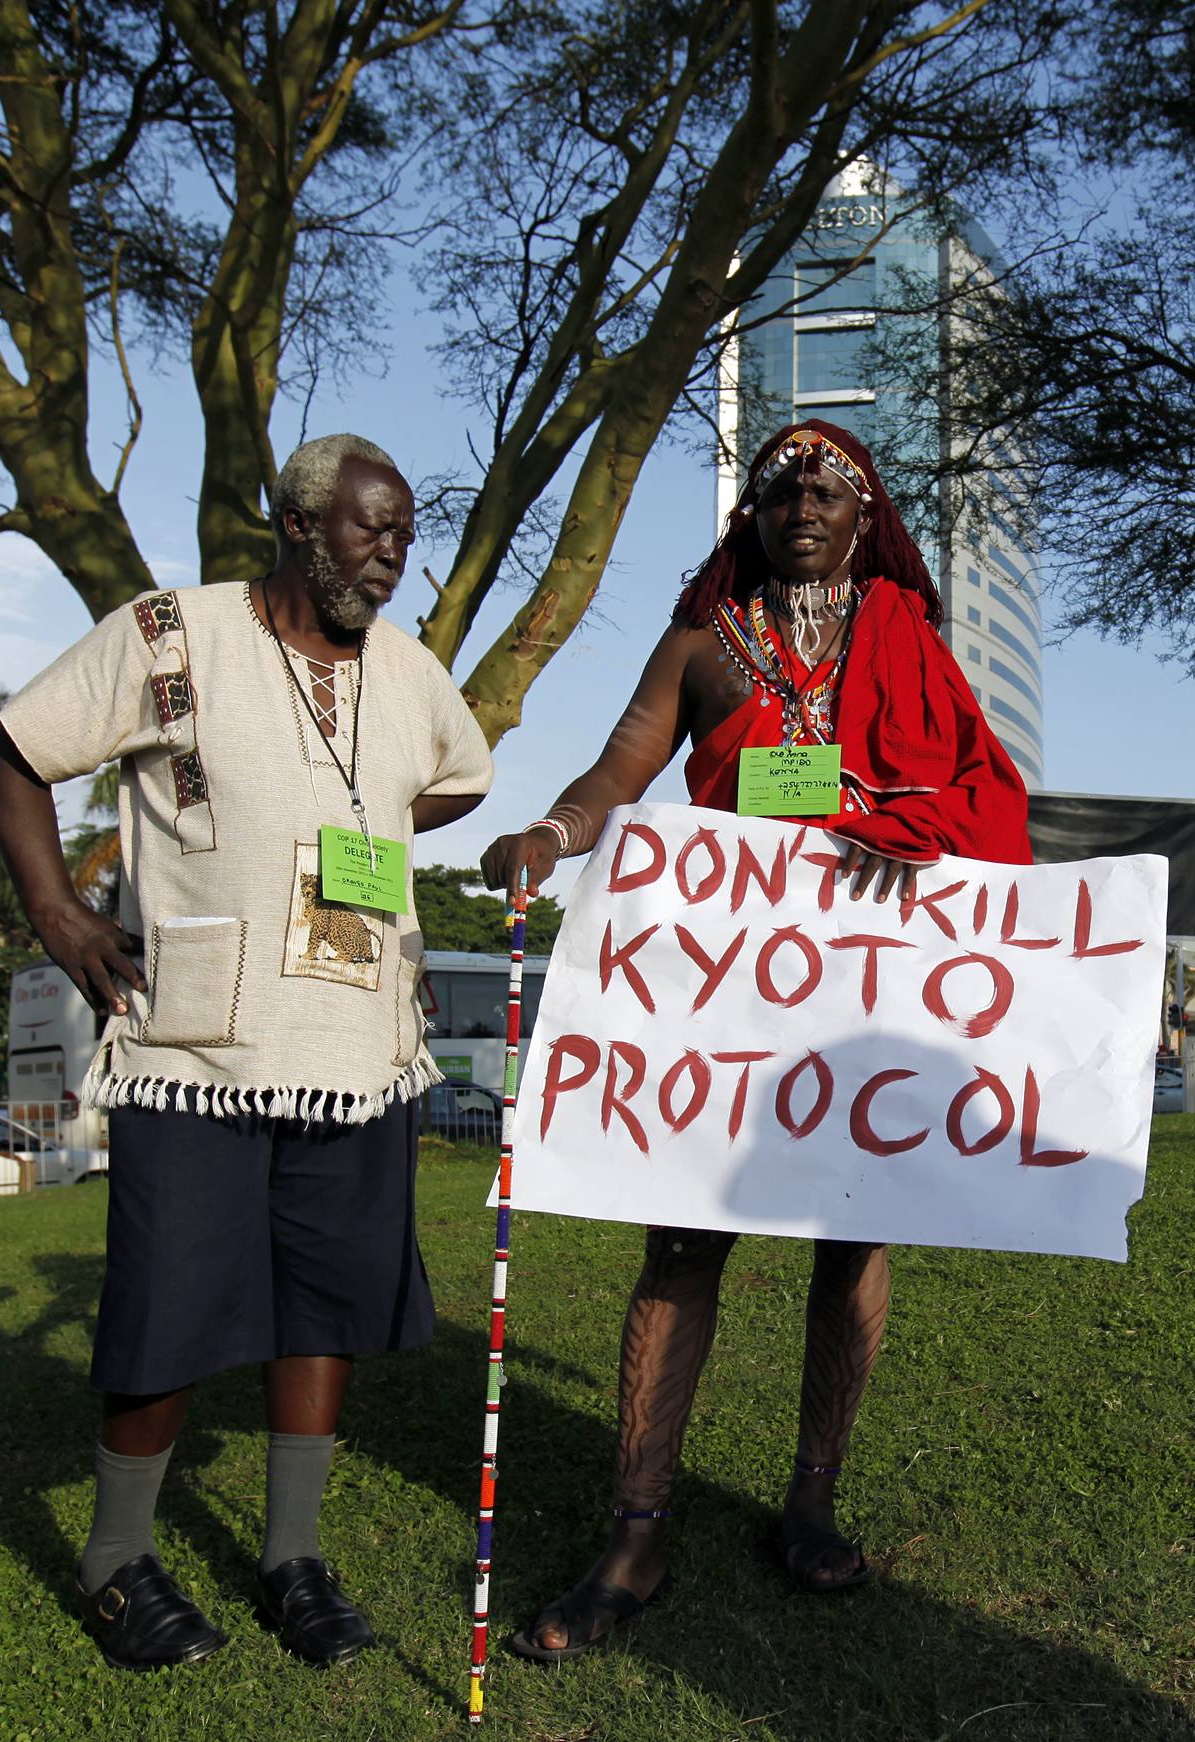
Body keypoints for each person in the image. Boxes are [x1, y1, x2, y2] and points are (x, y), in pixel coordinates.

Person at [480, 418, 1032, 1661]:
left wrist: (895, 815)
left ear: (865, 515)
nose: (800, 501)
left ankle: (811, 1499)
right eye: (779, 486)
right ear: (750, 517)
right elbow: (620, 769)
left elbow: (980, 792)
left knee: (850, 1239)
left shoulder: (907, 640)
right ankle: (634, 1530)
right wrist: (553, 837)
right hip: (723, 994)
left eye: (827, 487)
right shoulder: (701, 648)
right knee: (680, 1245)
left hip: (863, 983)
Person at [0, 433, 492, 1672]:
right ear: (297, 525)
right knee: (171, 1301)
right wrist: (59, 913)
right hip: (198, 1041)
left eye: (405, 533)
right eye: (371, 527)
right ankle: (115, 1560)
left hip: (361, 1039)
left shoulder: (412, 673)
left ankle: (293, 1555)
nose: (391, 553)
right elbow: (15, 750)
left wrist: (346, 815)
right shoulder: (171, 635)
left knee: (321, 1303)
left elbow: (461, 780)